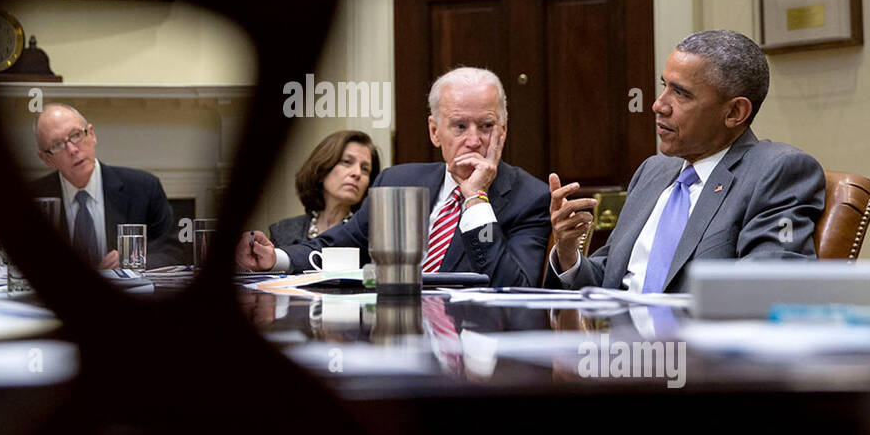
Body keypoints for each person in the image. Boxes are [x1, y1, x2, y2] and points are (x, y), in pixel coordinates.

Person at [546, 30, 825, 304]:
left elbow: (768, 285)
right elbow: (609, 279)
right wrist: (569, 253)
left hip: (692, 345)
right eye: (663, 86)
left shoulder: (777, 172)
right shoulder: (653, 172)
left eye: (680, 93)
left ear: (734, 112)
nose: (658, 105)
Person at [236, 67, 551, 287]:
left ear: (504, 130)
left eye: (486, 126)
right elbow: (337, 245)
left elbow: (513, 286)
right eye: (459, 126)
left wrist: (476, 198)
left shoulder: (529, 197)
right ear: (434, 131)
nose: (473, 140)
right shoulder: (398, 181)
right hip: (389, 333)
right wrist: (273, 258)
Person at [29, 103, 179, 269]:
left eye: (76, 135)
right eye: (57, 145)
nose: (72, 149)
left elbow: (173, 251)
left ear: (92, 135)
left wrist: (132, 261)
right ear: (46, 159)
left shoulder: (144, 188)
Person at [268, 130, 381, 245]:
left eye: (365, 169)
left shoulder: (370, 236)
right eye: (347, 162)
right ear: (322, 169)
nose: (357, 173)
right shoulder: (283, 232)